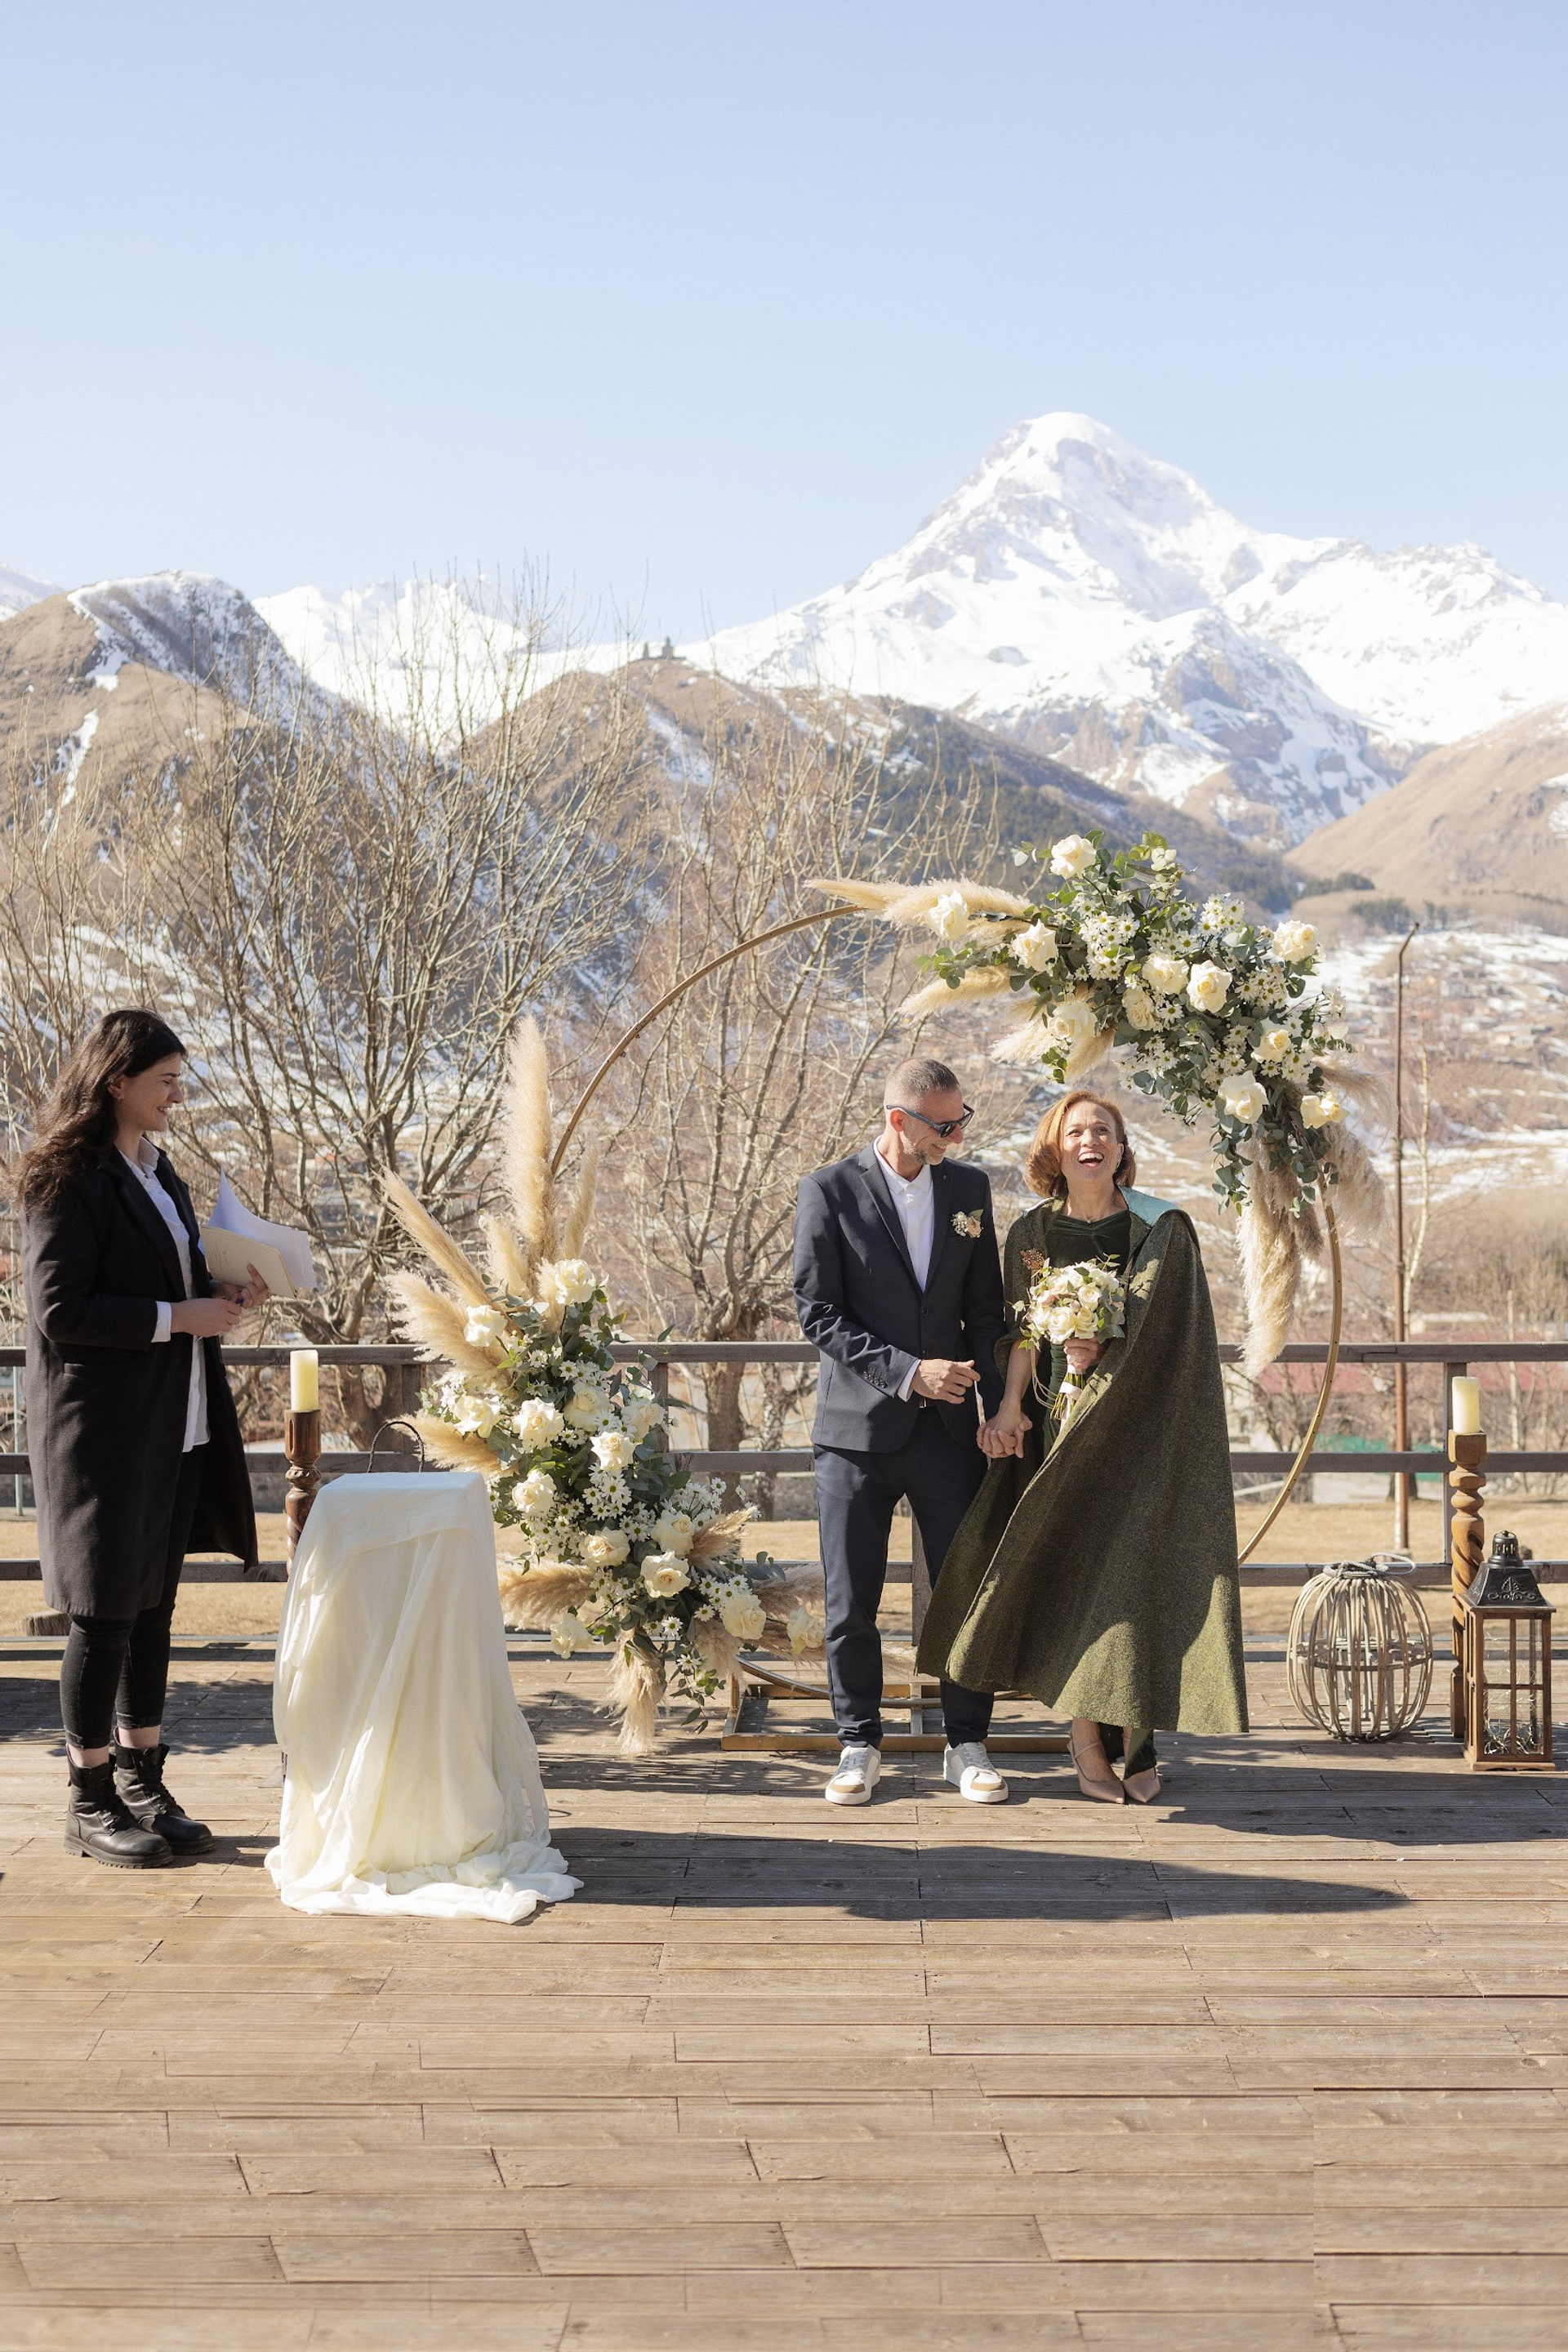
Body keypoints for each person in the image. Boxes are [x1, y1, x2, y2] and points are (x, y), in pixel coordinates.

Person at [917, 1090, 1247, 1803]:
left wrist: (1108, 1342)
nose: (1091, 1140)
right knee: (1075, 1576)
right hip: (1055, 1438)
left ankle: (1140, 1737)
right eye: (1076, 1131)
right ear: (1055, 1149)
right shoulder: (1031, 1235)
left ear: (1122, 1150)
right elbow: (1019, 1334)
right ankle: (1087, 1732)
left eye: (1105, 1130)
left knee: (1131, 1576)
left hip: (1137, 1436)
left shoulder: (1160, 1228)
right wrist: (1008, 1409)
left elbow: (1167, 1325)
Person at [16, 1010, 266, 1867]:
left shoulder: (164, 1175)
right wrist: (177, 1315)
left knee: (153, 1608)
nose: (178, 1094)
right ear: (116, 1080)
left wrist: (226, 1293)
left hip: (178, 1419)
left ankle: (140, 1777)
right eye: (166, 1079)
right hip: (104, 1431)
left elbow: (177, 1282)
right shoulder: (64, 1178)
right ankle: (86, 1801)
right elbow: (60, 1310)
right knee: (102, 1613)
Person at [793, 1057, 1009, 1806]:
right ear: (898, 1120)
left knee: (964, 1591)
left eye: (959, 1121)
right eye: (942, 1125)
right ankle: (857, 1745)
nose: (954, 1135)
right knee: (852, 1601)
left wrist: (996, 1409)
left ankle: (967, 1742)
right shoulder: (826, 1190)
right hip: (854, 1435)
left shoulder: (970, 1190)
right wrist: (908, 1371)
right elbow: (817, 1313)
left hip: (950, 1434)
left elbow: (987, 1312)